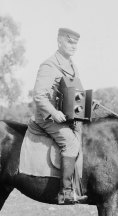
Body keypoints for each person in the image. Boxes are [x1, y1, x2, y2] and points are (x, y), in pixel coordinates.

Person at [30, 27, 88, 205]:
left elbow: (76, 94)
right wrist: (54, 113)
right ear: (59, 41)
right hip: (48, 118)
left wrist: (88, 103)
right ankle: (65, 192)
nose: (74, 46)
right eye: (70, 42)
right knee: (70, 142)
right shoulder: (49, 65)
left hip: (69, 118)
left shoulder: (72, 66)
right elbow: (39, 95)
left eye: (76, 43)